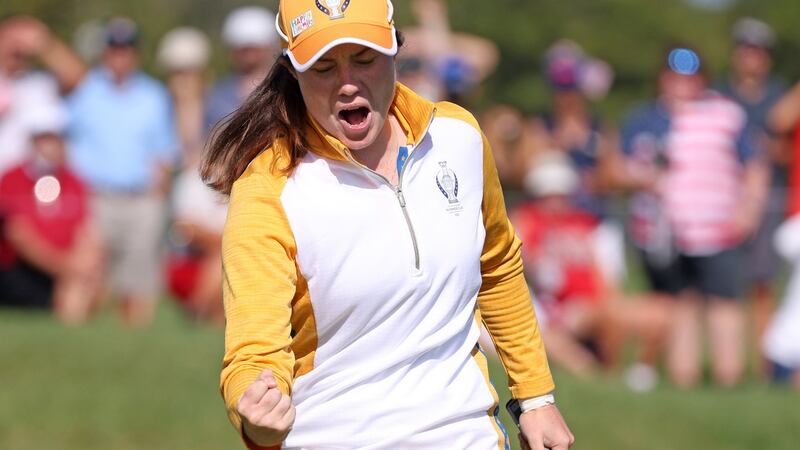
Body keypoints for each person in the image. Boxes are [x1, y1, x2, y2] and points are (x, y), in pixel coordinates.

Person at [201, 1, 574, 449]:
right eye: (323, 68)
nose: (348, 84)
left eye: (365, 59)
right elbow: (254, 352)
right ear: (291, 72)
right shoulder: (267, 190)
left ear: (396, 50)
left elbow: (496, 267)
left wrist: (536, 397)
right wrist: (256, 411)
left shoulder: (459, 137)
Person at [620, 47, 768, 389]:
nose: (681, 85)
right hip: (665, 231)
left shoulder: (724, 114)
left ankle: (728, 381)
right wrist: (642, 178)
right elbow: (617, 166)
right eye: (674, 77)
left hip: (718, 227)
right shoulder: (644, 118)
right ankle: (684, 380)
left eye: (690, 78)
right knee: (680, 304)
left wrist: (749, 209)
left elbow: (754, 164)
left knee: (724, 303)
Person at [512, 152, 667, 387]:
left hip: (594, 302)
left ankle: (639, 372)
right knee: (607, 314)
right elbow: (527, 269)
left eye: (560, 194)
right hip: (556, 307)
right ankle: (607, 376)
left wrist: (609, 297)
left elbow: (606, 276)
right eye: (549, 195)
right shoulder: (527, 220)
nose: (555, 201)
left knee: (660, 313)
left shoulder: (587, 223)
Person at [67, 17, 179, 327]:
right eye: (114, 49)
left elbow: (164, 152)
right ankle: (73, 337)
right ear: (105, 53)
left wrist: (159, 195)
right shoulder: (86, 90)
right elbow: (65, 137)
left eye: (126, 49)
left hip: (141, 198)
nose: (120, 56)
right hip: (94, 196)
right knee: (87, 274)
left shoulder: (153, 95)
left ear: (135, 54)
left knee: (138, 282)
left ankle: (133, 344)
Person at [716, 18, 788, 369]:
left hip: (768, 200)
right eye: (745, 49)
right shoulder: (718, 95)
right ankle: (729, 365)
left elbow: (788, 150)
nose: (750, 57)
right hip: (723, 199)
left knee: (762, 284)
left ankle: (765, 366)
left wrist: (765, 153)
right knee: (724, 289)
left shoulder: (779, 96)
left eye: (757, 51)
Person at [0, 104, 102, 324]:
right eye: (44, 138)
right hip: (19, 272)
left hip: (62, 272)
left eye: (56, 139)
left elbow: (86, 233)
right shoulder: (11, 178)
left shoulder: (75, 181)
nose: (50, 146)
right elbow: (19, 237)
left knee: (85, 281)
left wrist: (83, 267)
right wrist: (66, 268)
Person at [0, 15, 86, 175]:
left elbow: (77, 76)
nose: (16, 50)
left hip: (34, 187)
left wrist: (43, 42)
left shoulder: (40, 83)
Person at [206, 6, 279, 131]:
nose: (249, 55)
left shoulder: (287, 89)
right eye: (244, 49)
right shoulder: (217, 95)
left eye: (254, 48)